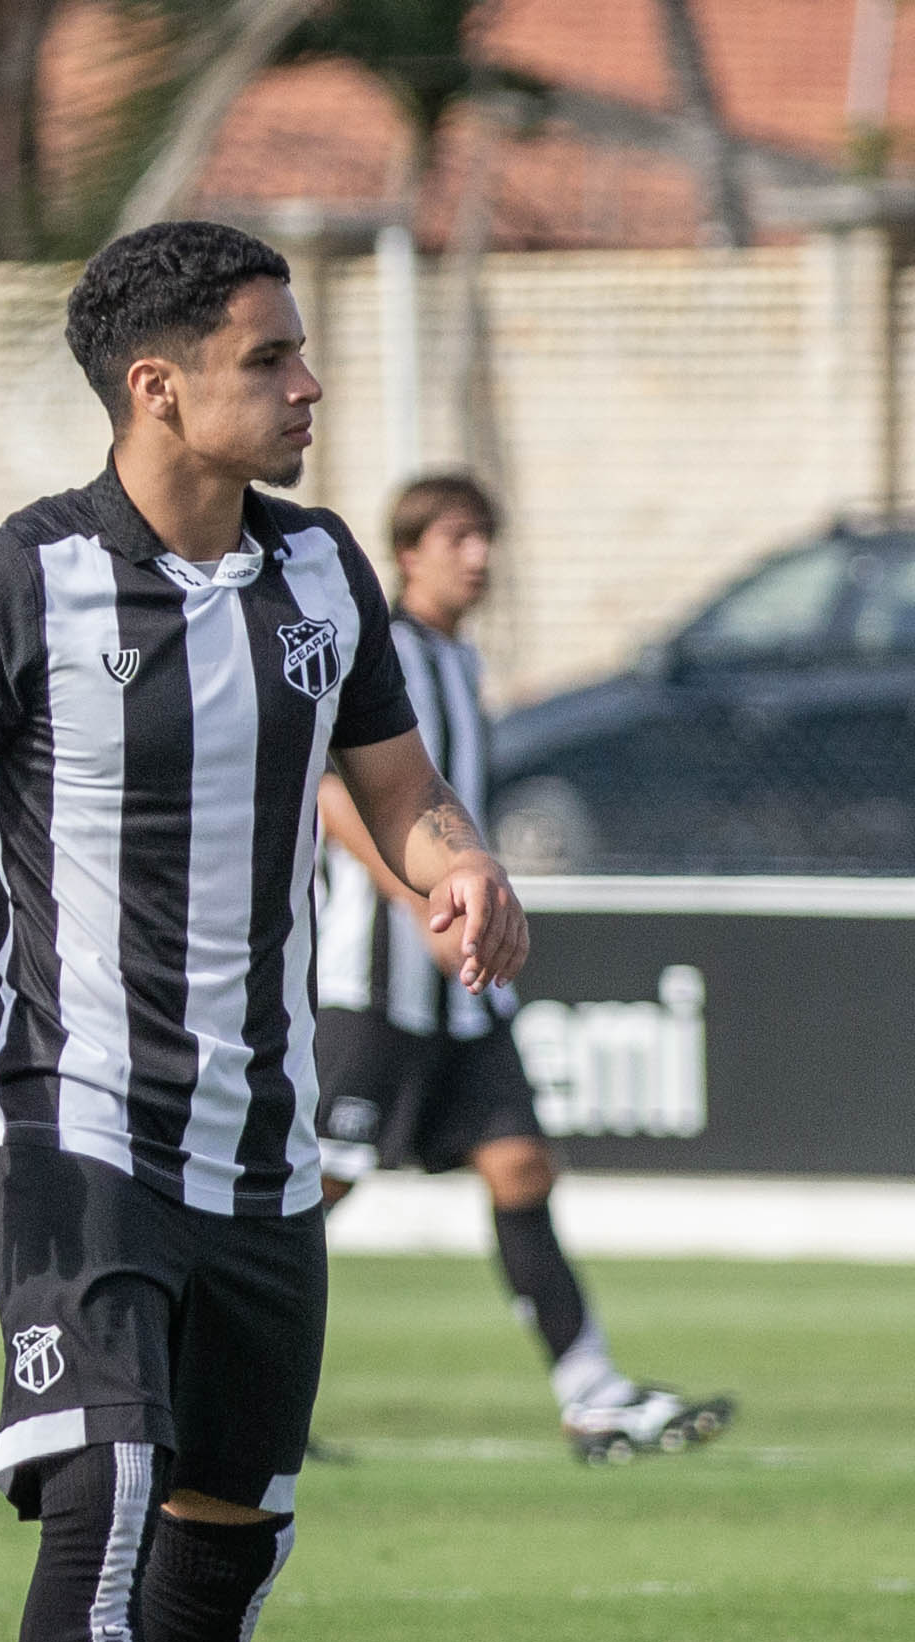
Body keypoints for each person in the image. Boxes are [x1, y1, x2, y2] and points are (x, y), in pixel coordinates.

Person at [0, 222, 526, 1642]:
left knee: (233, 1523)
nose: (309, 386)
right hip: (74, 1122)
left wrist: (451, 869)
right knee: (112, 1470)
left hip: (266, 1140)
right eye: (272, 358)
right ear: (160, 386)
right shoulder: (21, 581)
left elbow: (398, 789)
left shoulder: (319, 575)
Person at [312, 475, 733, 1465]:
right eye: (456, 537)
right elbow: (339, 797)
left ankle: (596, 1398)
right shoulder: (388, 652)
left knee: (521, 1163)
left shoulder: (460, 663)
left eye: (486, 536)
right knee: (312, 1187)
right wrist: (417, 900)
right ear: (407, 551)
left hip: (460, 996)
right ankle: (216, 1397)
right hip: (374, 986)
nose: (478, 556)